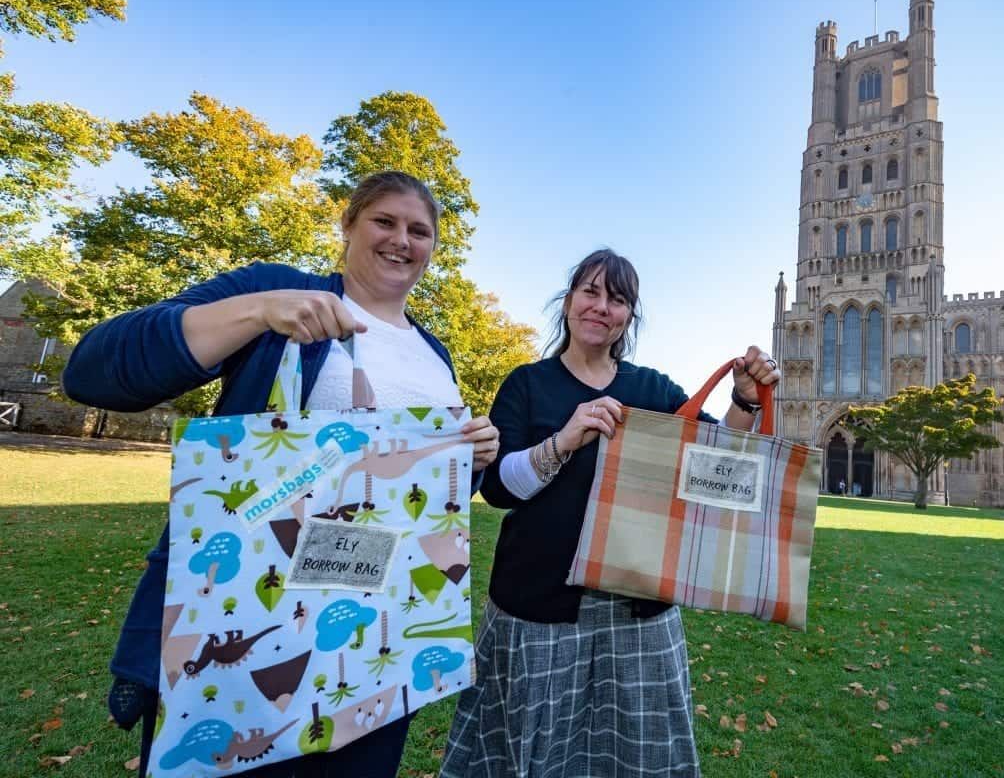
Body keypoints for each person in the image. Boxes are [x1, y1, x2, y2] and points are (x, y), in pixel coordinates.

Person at [62, 171, 501, 778]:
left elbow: (413, 499)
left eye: (419, 231)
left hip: (376, 644)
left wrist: (467, 461)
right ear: (348, 226)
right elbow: (94, 371)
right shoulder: (277, 292)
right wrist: (259, 311)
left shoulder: (435, 353)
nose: (402, 240)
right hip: (248, 623)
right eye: (385, 221)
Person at [438, 248, 780, 777]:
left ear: (629, 316)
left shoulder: (651, 389)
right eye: (591, 292)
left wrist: (746, 400)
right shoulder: (528, 385)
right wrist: (562, 441)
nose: (601, 307)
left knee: (637, 757)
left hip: (638, 609)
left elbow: (713, 464)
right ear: (569, 301)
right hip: (539, 608)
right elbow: (500, 491)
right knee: (531, 753)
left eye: (617, 299)